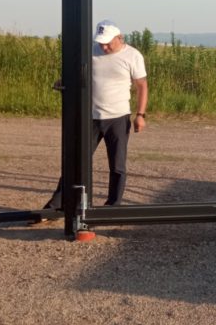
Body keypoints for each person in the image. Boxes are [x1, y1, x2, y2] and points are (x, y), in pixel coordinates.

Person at [45, 20, 148, 210]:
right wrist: (64, 80)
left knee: (117, 166)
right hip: (90, 117)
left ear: (119, 37)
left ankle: (112, 207)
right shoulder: (90, 51)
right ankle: (56, 206)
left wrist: (140, 115)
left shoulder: (133, 56)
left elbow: (142, 86)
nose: (104, 47)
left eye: (108, 43)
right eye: (101, 43)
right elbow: (78, 73)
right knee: (76, 162)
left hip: (118, 118)